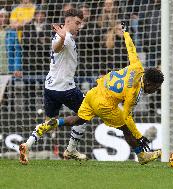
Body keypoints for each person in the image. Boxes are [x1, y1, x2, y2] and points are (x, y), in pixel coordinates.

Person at [32, 22, 164, 165]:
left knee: (79, 119)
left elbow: (131, 49)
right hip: (104, 103)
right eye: (155, 88)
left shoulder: (138, 67)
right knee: (126, 128)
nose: (155, 91)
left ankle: (55, 122)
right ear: (149, 83)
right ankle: (142, 155)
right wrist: (139, 137)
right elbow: (127, 117)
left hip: (93, 93)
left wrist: (126, 33)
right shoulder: (133, 93)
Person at [19, 9, 87, 165]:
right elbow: (56, 47)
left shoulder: (62, 35)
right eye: (77, 23)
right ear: (68, 21)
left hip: (50, 87)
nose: (79, 27)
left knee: (49, 123)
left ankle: (27, 144)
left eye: (80, 24)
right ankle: (71, 149)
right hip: (66, 88)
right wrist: (62, 39)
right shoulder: (65, 37)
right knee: (87, 113)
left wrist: (62, 38)